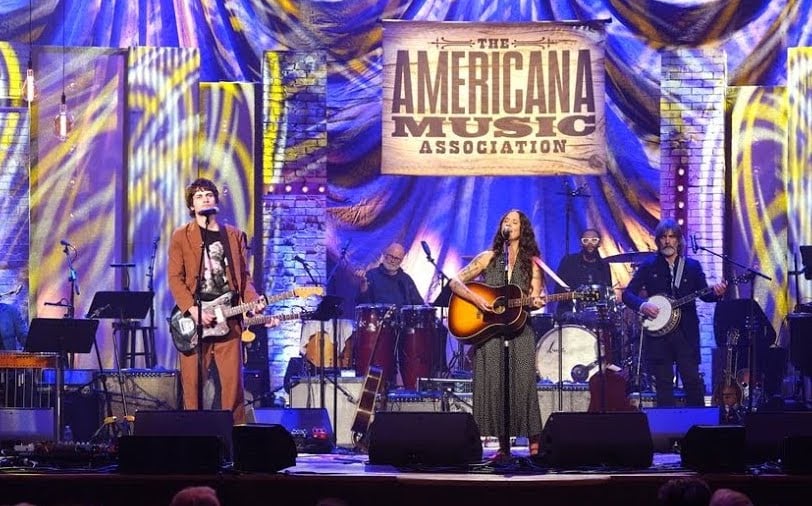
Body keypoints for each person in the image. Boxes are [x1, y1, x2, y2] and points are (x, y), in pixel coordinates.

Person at [168, 178, 273, 424]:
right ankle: (193, 439)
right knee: (193, 388)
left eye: (208, 194)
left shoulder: (234, 236)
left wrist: (253, 300)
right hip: (196, 320)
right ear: (191, 206)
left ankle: (235, 441)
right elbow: (175, 278)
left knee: (233, 387)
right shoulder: (182, 236)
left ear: (216, 200)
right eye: (198, 196)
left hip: (229, 318)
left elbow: (243, 278)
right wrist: (192, 310)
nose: (205, 198)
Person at [448, 209, 544, 459]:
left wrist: (535, 302)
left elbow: (536, 295)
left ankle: (535, 443)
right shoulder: (487, 258)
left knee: (524, 385)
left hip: (520, 328)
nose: (510, 224)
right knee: (494, 385)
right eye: (506, 221)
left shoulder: (532, 262)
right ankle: (503, 447)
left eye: (515, 222)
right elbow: (455, 282)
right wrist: (477, 299)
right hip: (489, 330)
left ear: (523, 229)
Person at [622, 218, 727, 407]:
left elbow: (705, 295)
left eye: (672, 237)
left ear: (678, 241)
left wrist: (717, 293)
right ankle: (666, 431)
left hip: (685, 334)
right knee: (663, 386)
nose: (668, 241)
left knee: (693, 382)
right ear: (658, 241)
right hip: (658, 336)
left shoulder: (692, 266)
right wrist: (643, 305)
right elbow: (627, 294)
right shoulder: (649, 266)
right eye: (663, 237)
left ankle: (698, 427)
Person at [552, 228, 612, 323]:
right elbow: (557, 291)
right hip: (569, 313)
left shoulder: (604, 266)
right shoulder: (568, 261)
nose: (590, 243)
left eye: (594, 240)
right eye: (586, 240)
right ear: (581, 243)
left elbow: (607, 293)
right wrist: (574, 295)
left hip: (597, 315)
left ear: (599, 243)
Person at [355, 243, 424, 306]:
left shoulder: (406, 280)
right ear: (385, 255)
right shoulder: (371, 276)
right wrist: (363, 287)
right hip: (377, 318)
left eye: (397, 258)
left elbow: (419, 304)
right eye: (391, 256)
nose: (393, 261)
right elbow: (362, 304)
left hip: (401, 319)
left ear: (401, 261)